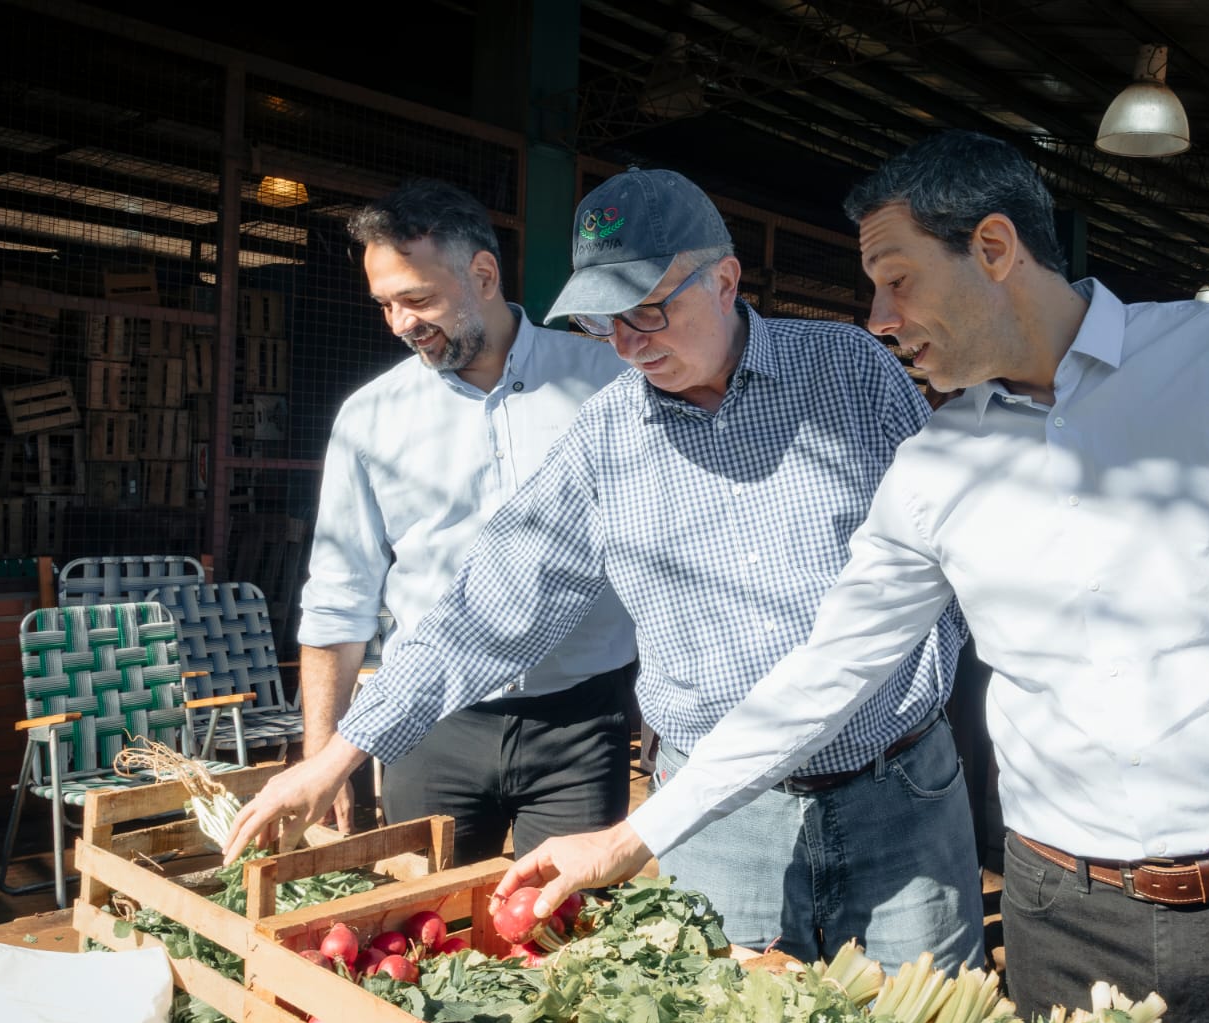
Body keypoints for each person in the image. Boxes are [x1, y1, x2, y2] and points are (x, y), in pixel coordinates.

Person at [493, 132, 1209, 1023]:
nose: (878, 319)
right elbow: (825, 672)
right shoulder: (937, 466)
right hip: (1064, 931)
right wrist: (630, 835)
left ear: (993, 247)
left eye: (895, 280)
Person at [229, 167, 986, 973]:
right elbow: (483, 610)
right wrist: (334, 757)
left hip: (897, 793)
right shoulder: (606, 438)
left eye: (647, 311)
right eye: (604, 321)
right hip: (717, 825)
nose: (627, 343)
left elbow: (950, 556)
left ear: (725, 280)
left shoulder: (849, 372)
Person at [296, 179, 638, 863]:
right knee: (428, 919)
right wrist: (323, 750)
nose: (399, 324)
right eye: (385, 304)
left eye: (417, 299)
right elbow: (340, 593)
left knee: (566, 921)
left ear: (483, 274)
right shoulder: (369, 419)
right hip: (426, 725)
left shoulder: (611, 383)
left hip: (580, 720)